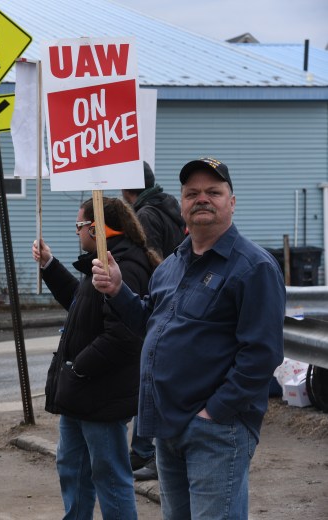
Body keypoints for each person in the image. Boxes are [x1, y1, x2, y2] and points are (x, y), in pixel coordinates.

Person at [92, 157, 285, 519]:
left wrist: (214, 412)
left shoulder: (253, 267)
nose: (202, 199)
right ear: (181, 203)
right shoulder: (171, 264)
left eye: (214, 192)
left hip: (216, 430)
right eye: (192, 193)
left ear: (232, 201)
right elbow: (150, 321)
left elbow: (262, 353)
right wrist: (118, 290)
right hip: (168, 426)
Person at [34, 196, 159, 520]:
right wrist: (49, 265)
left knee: (110, 477)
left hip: (101, 394)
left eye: (79, 226)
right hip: (82, 393)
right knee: (72, 470)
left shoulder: (124, 266)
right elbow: (80, 302)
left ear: (95, 227)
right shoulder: (102, 261)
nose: (76, 233)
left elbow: (123, 337)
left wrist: (77, 369)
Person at [121, 161, 186, 480]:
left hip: (158, 301)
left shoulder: (144, 214)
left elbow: (152, 259)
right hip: (174, 298)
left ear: (126, 189)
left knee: (148, 377)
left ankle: (144, 451)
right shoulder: (169, 206)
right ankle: (147, 450)